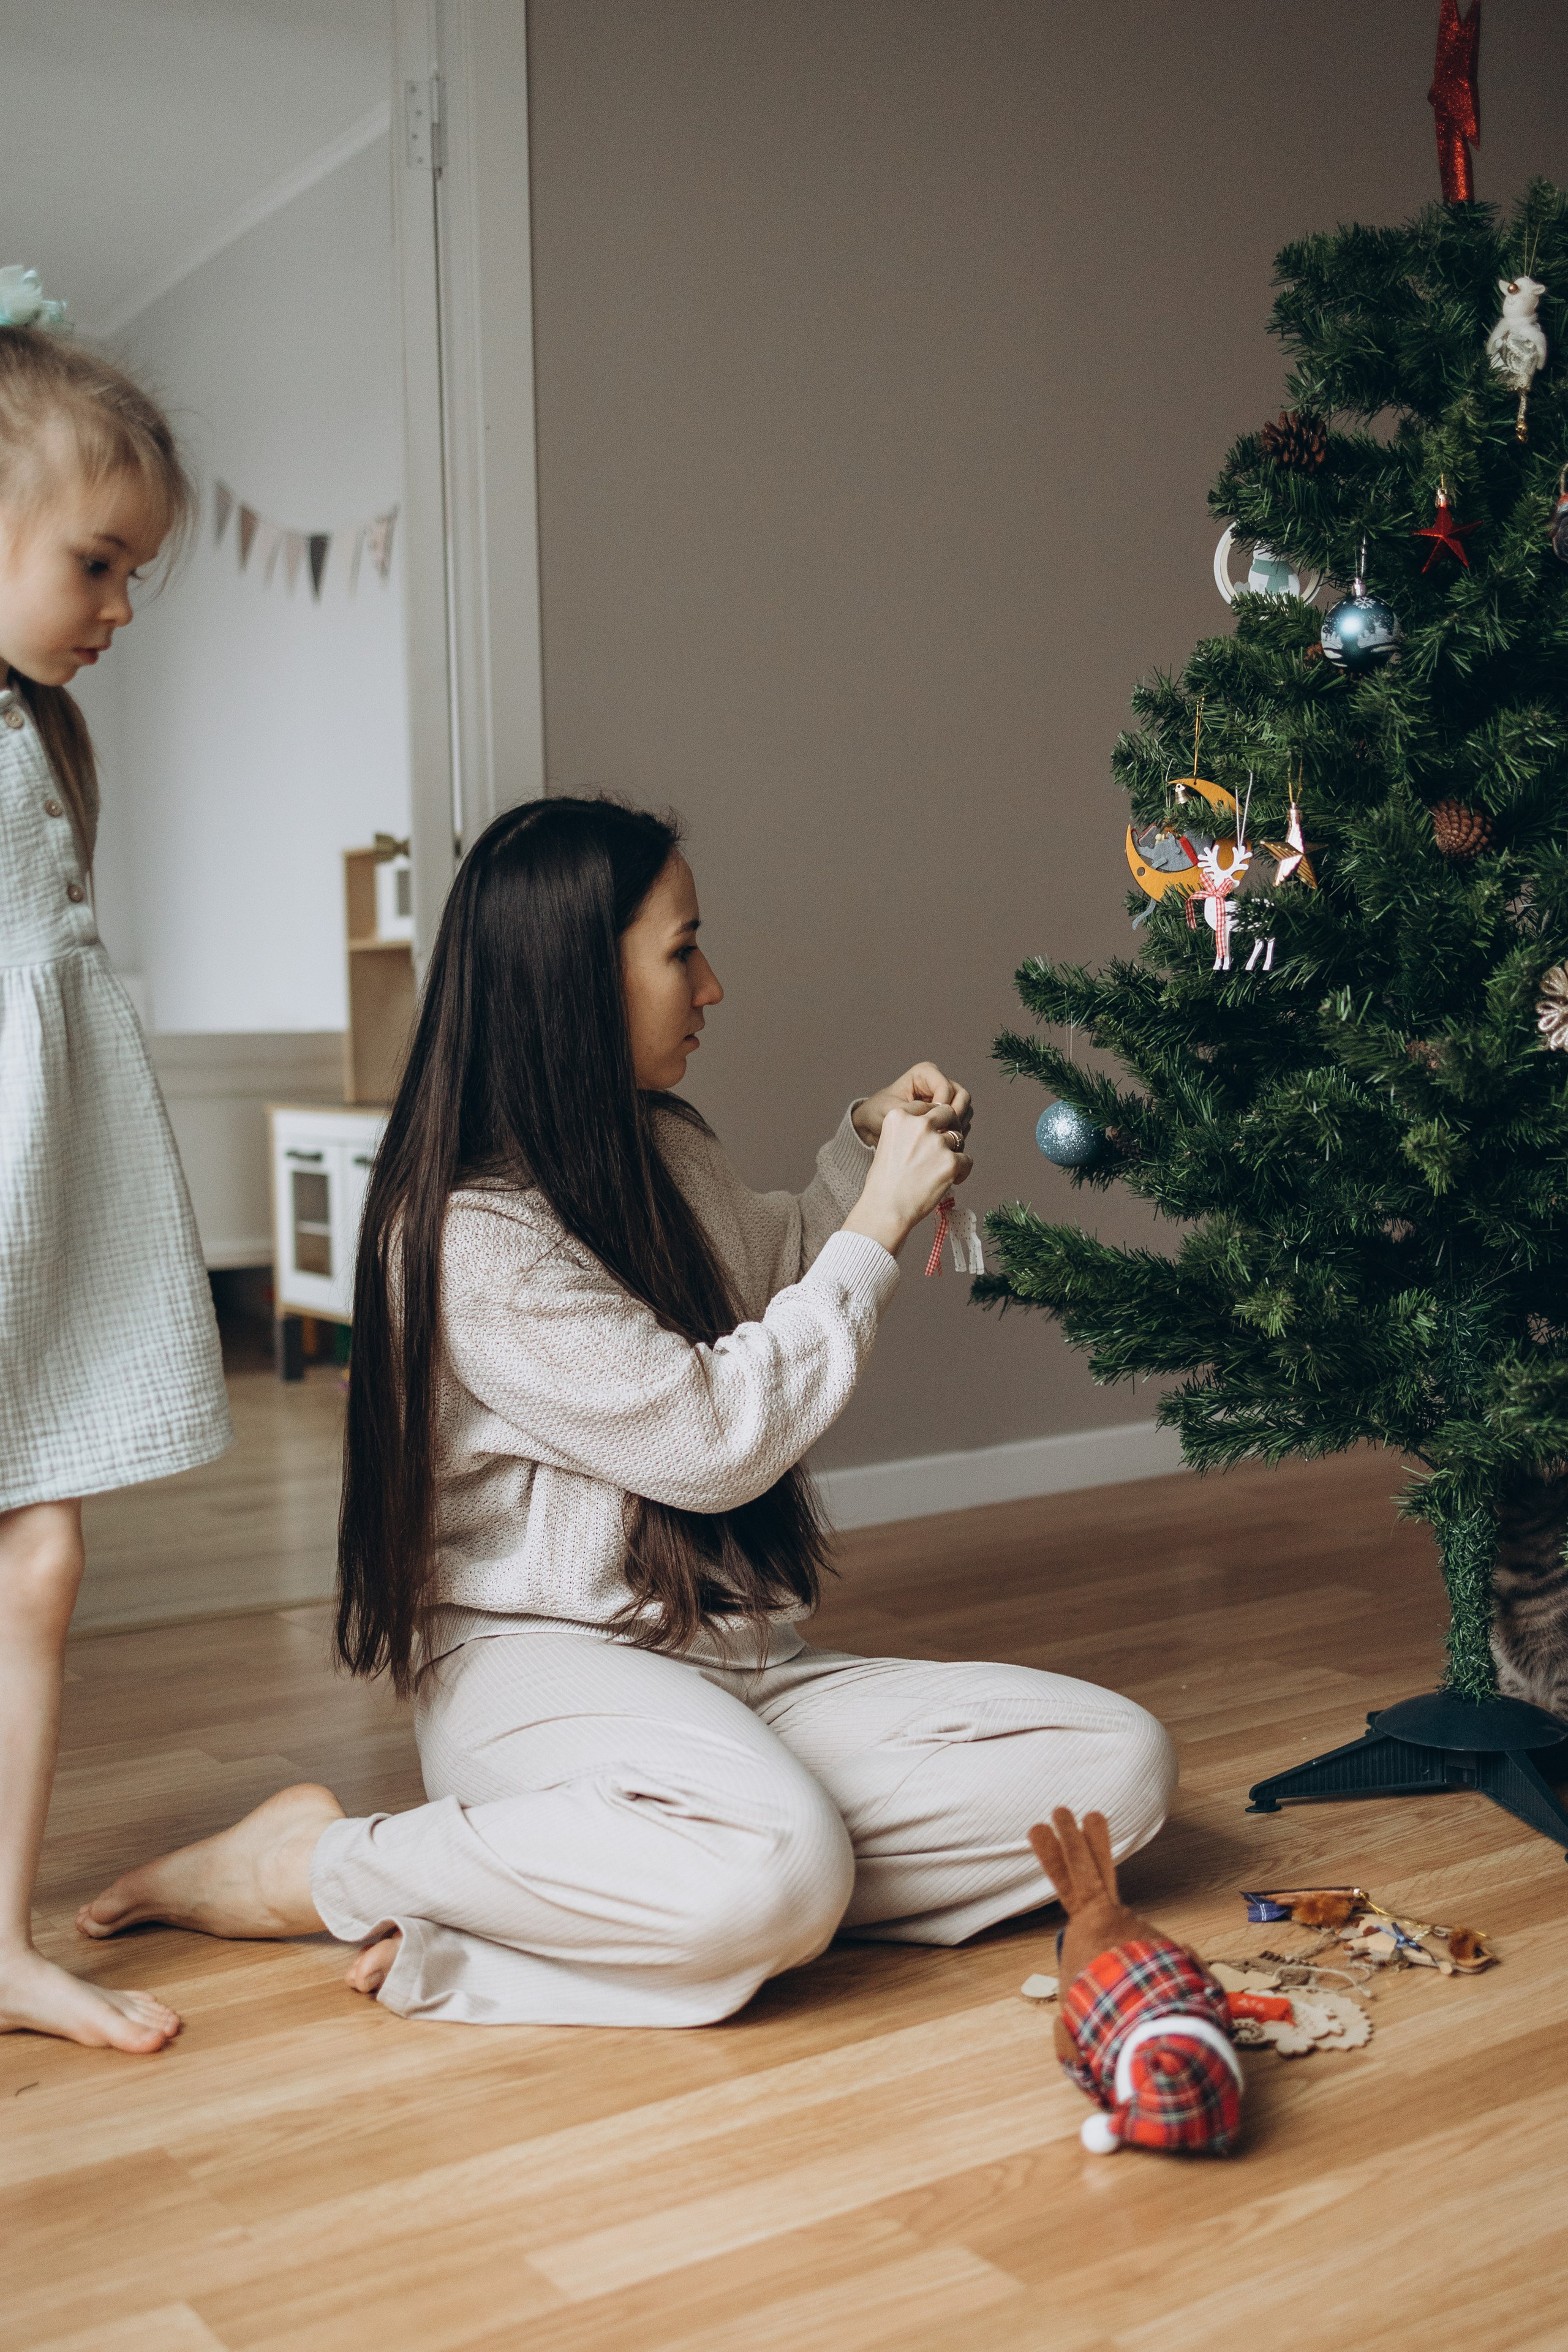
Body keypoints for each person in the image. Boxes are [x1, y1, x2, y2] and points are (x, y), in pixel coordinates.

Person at [80, 797, 1175, 2027]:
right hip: (542, 1671)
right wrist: (876, 1227)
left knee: (1114, 1771)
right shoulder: (463, 1234)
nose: (712, 985)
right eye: (679, 951)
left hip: (729, 1659)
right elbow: (710, 1439)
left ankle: (645, 1892)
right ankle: (316, 1867)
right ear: (575, 984)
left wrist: (859, 1154)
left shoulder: (655, 1142)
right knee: (784, 1869)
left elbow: (764, 1274)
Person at [0, 277, 232, 2052]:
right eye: (98, 562)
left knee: (43, 1555)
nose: (124, 604)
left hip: (33, 1209)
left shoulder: (38, 739)